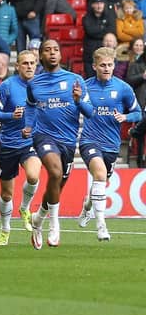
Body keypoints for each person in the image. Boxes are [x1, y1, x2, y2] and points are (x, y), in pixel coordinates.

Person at [25, 40, 93, 249]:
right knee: (54, 173)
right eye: (48, 50)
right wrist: (28, 126)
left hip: (68, 141)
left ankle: (38, 220)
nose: (52, 53)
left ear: (60, 55)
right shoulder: (34, 83)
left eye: (56, 49)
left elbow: (90, 112)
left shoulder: (75, 80)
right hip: (43, 136)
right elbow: (30, 107)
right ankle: (55, 224)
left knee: (56, 186)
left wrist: (78, 101)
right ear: (41, 56)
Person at [76, 47, 141, 241]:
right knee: (100, 174)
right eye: (102, 65)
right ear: (94, 66)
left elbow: (138, 112)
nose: (106, 68)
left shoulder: (123, 88)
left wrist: (126, 116)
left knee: (100, 179)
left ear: (114, 65)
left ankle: (87, 205)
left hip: (112, 144)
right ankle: (101, 226)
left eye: (110, 65)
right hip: (89, 140)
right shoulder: (86, 86)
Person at [0, 50, 41, 245]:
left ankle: (25, 207)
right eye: (25, 63)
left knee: (34, 176)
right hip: (9, 144)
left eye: (32, 63)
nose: (29, 66)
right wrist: (12, 116)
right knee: (6, 193)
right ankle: (5, 229)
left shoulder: (41, 86)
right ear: (17, 66)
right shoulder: (7, 87)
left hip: (30, 142)